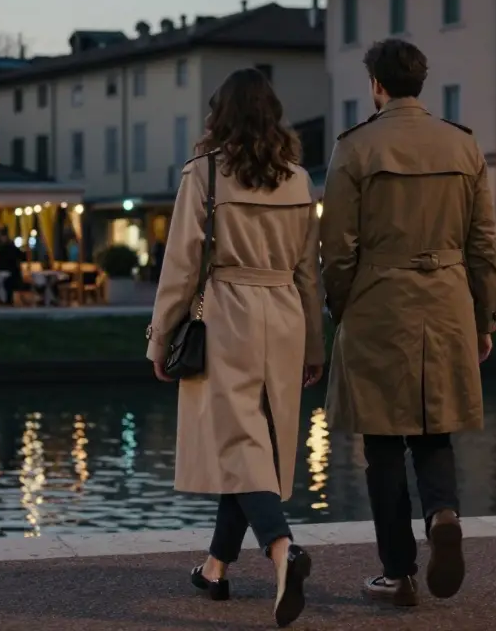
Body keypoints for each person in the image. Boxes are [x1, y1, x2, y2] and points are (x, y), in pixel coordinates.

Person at [320, 39, 496, 607]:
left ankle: (398, 573)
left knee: (382, 444)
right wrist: (484, 316)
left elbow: (337, 247)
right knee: (434, 428)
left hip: (379, 299)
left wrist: (343, 307)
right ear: (420, 83)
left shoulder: (355, 147)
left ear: (376, 84)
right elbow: (484, 243)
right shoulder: (464, 145)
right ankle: (443, 513)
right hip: (447, 300)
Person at [146, 68, 325, 628]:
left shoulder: (205, 174)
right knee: (254, 443)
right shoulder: (298, 180)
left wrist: (159, 339)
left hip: (228, 312)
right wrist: (316, 344)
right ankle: (215, 568)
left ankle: (281, 550)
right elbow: (309, 273)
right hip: (286, 313)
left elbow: (180, 266)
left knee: (240, 441)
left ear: (218, 115)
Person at [0, 229, 21, 305]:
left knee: (5, 286)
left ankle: (5, 301)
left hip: (6, 271)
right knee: (8, 288)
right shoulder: (10, 247)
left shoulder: (1, 248)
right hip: (12, 271)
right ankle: (8, 301)